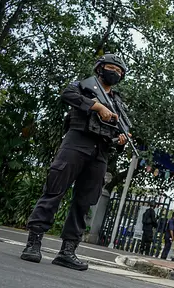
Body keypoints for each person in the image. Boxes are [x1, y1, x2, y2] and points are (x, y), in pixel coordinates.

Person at [20, 53, 130, 271]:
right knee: (54, 190)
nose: (114, 73)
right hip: (76, 142)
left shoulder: (118, 103)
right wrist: (96, 106)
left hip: (100, 152)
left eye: (119, 71)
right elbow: (67, 94)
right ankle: (33, 244)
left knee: (84, 202)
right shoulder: (83, 86)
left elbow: (117, 135)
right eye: (111, 68)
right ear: (99, 68)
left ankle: (67, 251)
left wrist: (121, 140)